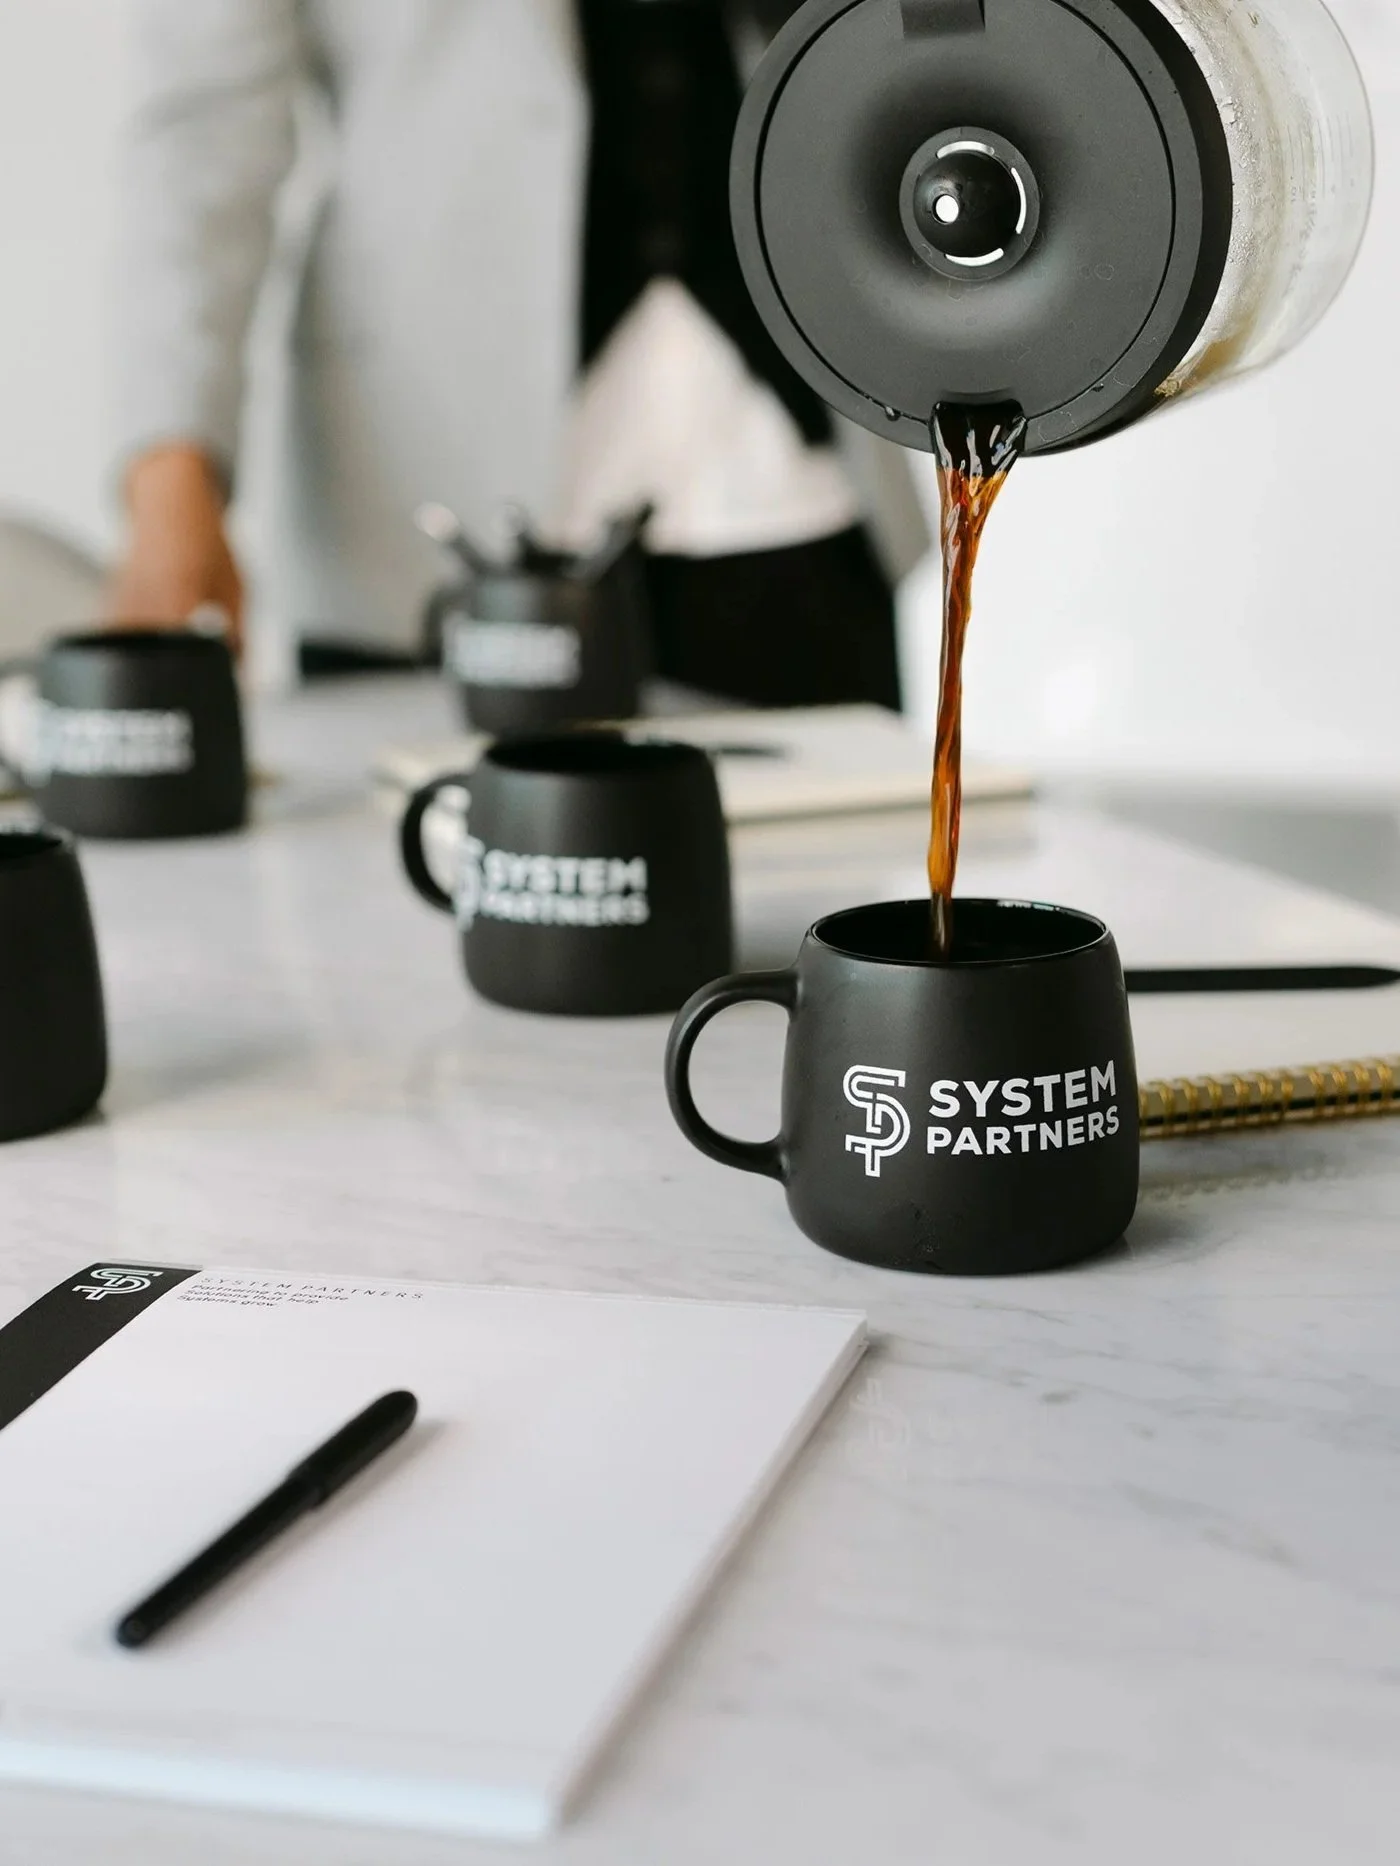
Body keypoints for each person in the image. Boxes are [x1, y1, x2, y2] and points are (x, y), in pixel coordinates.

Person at [109, 0, 928, 706]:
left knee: (841, 880)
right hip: (429, 505)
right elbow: (206, 127)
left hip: (794, 476)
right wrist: (174, 466)